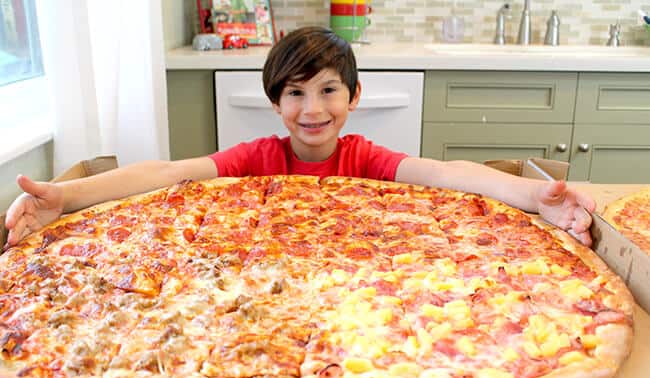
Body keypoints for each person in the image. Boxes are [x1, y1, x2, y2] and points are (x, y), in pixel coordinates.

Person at [3, 26, 595, 249]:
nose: (312, 109)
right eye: (294, 93)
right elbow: (166, 173)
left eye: (328, 90)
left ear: (354, 97)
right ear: (275, 103)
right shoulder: (259, 158)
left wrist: (532, 196)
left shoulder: (364, 159)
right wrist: (66, 196)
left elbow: (447, 173)